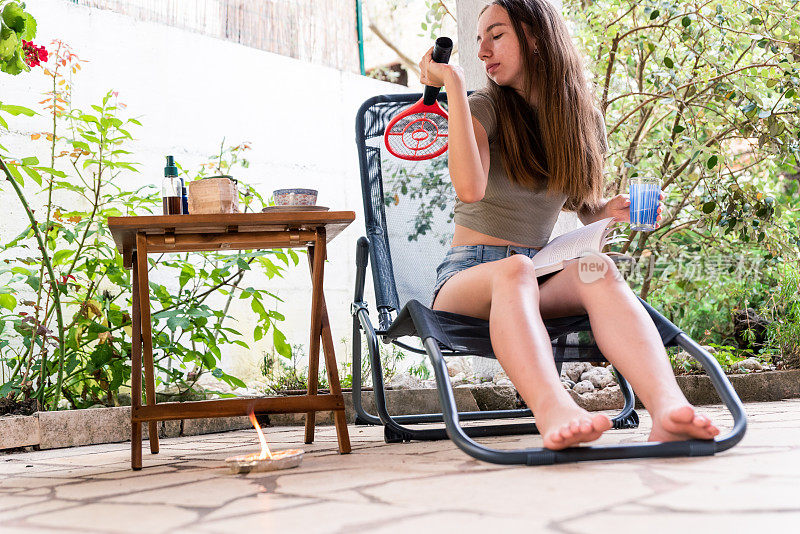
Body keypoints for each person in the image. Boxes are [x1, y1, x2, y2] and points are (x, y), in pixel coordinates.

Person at [420, 0, 720, 450]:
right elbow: (469, 189)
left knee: (599, 270)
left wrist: (608, 211)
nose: (482, 50)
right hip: (467, 278)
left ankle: (668, 408)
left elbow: (582, 207)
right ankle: (554, 410)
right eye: (479, 38)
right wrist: (455, 87)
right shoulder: (482, 107)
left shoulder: (581, 123)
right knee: (513, 269)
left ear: (536, 37)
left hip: (533, 273)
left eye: (496, 34)